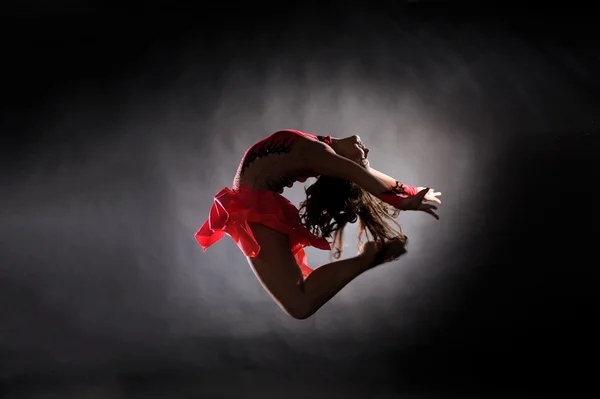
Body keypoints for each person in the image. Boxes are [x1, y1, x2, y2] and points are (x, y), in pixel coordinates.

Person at [195, 129, 442, 319]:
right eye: (362, 159)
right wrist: (406, 193)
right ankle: (369, 258)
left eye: (362, 160)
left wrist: (406, 196)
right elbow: (362, 173)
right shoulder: (324, 147)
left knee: (299, 304)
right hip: (254, 201)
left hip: (254, 205)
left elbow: (363, 174)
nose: (366, 152)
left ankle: (367, 259)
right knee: (298, 303)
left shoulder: (322, 154)